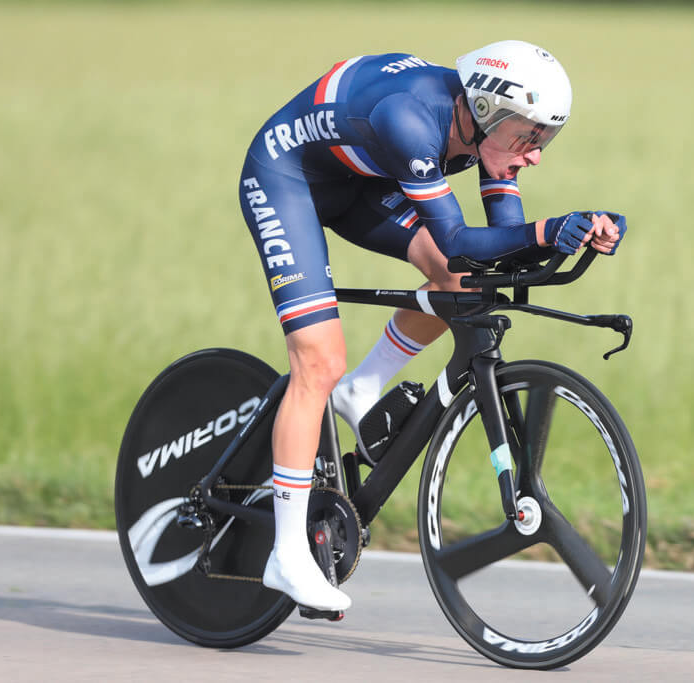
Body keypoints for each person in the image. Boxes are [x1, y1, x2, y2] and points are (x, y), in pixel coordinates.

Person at [238, 40, 627, 612]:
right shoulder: (409, 120)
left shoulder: (479, 133)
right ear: (488, 111)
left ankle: (362, 389)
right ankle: (286, 553)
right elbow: (459, 240)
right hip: (287, 177)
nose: (535, 154)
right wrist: (546, 231)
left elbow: (496, 248)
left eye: (545, 139)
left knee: (458, 283)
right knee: (318, 360)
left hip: (363, 178)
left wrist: (580, 231)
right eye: (529, 136)